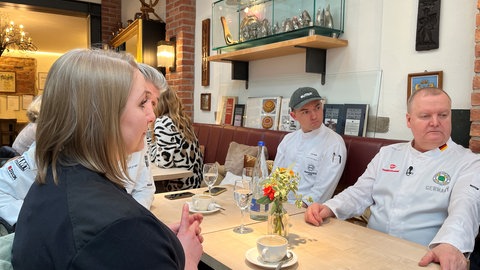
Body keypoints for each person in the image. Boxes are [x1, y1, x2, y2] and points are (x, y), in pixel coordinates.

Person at [11, 49, 203, 269]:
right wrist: (187, 257)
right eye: (143, 103)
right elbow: (110, 235)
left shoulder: (51, 181)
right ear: (102, 117)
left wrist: (159, 240)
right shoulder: (117, 226)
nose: (152, 116)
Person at [305, 87, 480, 269]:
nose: (435, 122)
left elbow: (465, 208)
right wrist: (329, 207)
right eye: (425, 116)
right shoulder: (388, 154)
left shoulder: (469, 162)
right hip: (370, 250)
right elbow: (359, 193)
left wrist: (451, 244)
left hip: (424, 258)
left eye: (443, 115)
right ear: (409, 120)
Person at [274, 87, 346, 205]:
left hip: (306, 212)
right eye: (306, 111)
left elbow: (321, 194)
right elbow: (275, 178)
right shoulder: (288, 140)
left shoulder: (334, 144)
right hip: (279, 205)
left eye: (317, 108)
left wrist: (292, 210)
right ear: (294, 116)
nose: (314, 116)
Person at [146, 80, 203, 192]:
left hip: (178, 188)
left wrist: (148, 132)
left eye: (152, 102)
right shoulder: (182, 120)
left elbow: (163, 162)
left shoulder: (163, 122)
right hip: (194, 183)